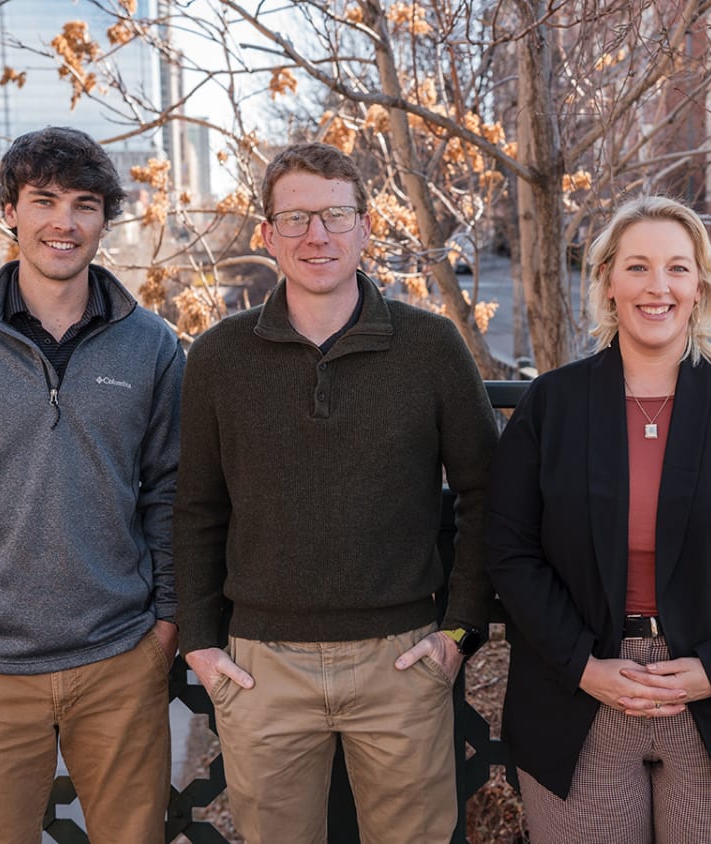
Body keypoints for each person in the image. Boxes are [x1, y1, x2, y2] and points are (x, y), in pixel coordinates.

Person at [173, 142, 498, 844]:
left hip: (404, 659)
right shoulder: (218, 357)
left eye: (335, 215)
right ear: (267, 235)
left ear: (365, 228)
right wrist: (199, 641)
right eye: (294, 219)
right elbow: (196, 506)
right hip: (262, 667)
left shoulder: (433, 347)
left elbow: (487, 494)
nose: (316, 235)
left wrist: (460, 630)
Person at [485, 196, 711, 842]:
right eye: (637, 267)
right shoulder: (552, 404)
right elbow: (510, 550)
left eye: (677, 267)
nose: (657, 286)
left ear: (700, 285)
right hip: (577, 697)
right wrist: (584, 665)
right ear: (609, 281)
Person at [0, 126, 184, 843]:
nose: (65, 221)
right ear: (10, 212)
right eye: (44, 200)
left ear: (104, 220)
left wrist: (169, 622)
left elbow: (171, 489)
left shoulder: (152, 344)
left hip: (121, 660)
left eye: (86, 204)